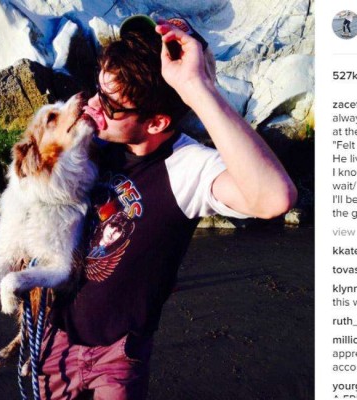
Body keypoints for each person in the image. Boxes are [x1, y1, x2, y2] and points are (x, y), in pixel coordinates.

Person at [38, 15, 297, 400]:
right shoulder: (93, 141)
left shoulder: (188, 168)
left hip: (116, 356)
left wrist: (196, 87)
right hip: (55, 338)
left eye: (110, 104)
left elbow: (274, 198)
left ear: (156, 122)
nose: (93, 105)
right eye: (97, 90)